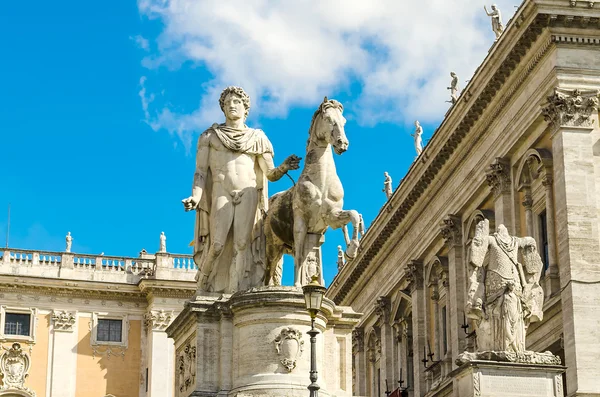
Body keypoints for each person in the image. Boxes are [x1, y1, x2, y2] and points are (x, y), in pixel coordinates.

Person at [182, 86, 301, 293]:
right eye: (227, 103)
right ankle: (203, 284)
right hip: (221, 191)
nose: (231, 106)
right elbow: (200, 172)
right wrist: (195, 196)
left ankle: (234, 292)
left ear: (246, 108)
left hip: (248, 193)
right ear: (223, 109)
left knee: (242, 245)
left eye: (236, 102)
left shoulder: (257, 138)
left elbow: (270, 173)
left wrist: (284, 167)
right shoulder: (210, 137)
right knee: (217, 244)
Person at [466, 220, 544, 352]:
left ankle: (512, 346)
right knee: (501, 311)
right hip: (499, 282)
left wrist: (480, 234)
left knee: (511, 311)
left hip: (506, 282)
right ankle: (505, 346)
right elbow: (529, 241)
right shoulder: (498, 240)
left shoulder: (509, 241)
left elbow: (476, 256)